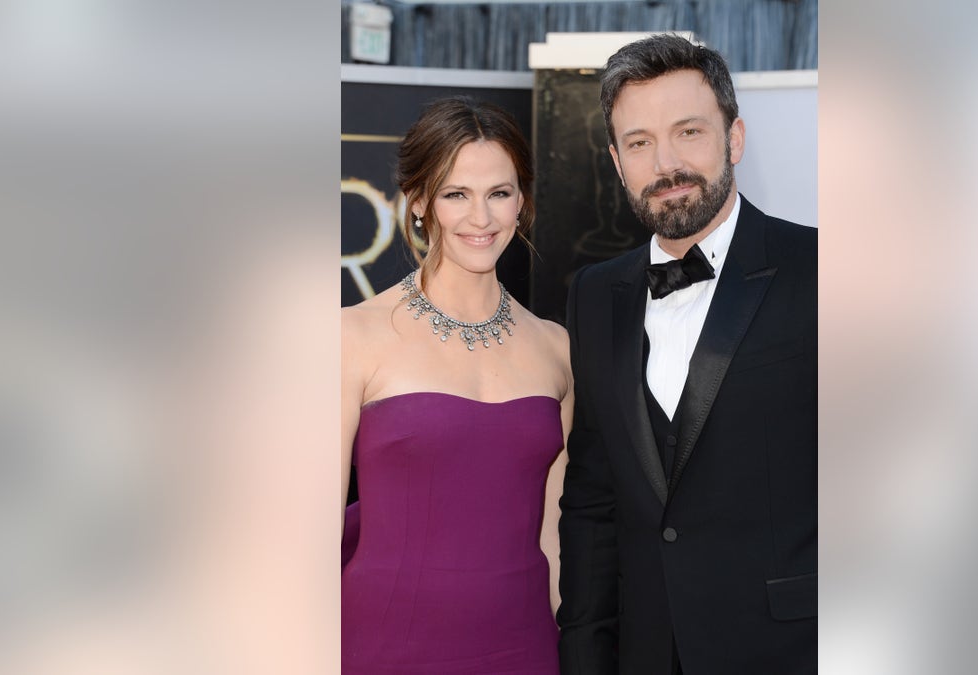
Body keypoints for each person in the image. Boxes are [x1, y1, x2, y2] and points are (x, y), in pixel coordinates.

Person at [558, 35, 817, 674]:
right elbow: (592, 503)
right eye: (640, 143)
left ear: (734, 139)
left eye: (689, 132)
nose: (666, 164)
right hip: (643, 653)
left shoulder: (823, 270)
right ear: (617, 163)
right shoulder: (594, 295)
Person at [341, 96, 572, 674]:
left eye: (499, 193)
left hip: (524, 645)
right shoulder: (353, 336)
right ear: (419, 202)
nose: (482, 218)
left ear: (522, 200)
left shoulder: (557, 349)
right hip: (383, 644)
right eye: (456, 195)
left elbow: (556, 536)